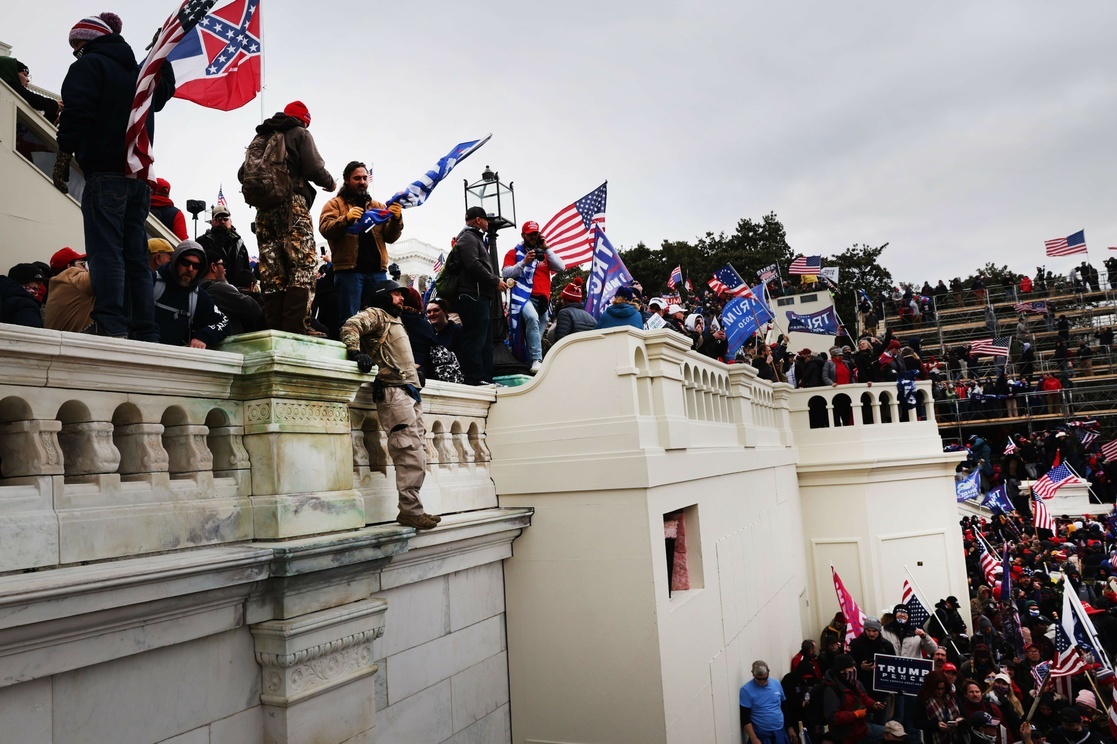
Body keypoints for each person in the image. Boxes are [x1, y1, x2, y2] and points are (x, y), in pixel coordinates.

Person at [57, 11, 176, 341]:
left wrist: (65, 147)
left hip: (105, 172)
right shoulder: (139, 73)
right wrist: (160, 56)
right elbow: (164, 93)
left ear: (91, 40)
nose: (75, 51)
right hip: (138, 179)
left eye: (77, 44)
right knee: (136, 256)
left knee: (105, 252)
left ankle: (110, 321)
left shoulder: (88, 67)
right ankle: (144, 328)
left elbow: (76, 112)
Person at [341, 280, 442, 530]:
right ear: (383, 296)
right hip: (393, 392)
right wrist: (355, 353)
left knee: (416, 451)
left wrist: (414, 376)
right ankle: (410, 511)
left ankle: (413, 509)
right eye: (396, 294)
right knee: (408, 451)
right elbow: (351, 326)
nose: (401, 299)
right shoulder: (376, 314)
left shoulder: (394, 319)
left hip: (408, 390)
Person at [241, 101, 336, 336]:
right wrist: (330, 182)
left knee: (272, 269)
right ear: (304, 120)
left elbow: (242, 173)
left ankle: (275, 326)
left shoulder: (260, 138)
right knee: (303, 264)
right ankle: (296, 326)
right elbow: (314, 167)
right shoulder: (299, 133)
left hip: (263, 210)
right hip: (292, 204)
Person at [319, 160, 403, 322]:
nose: (362, 182)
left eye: (365, 178)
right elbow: (325, 229)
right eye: (357, 178)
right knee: (350, 319)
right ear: (346, 180)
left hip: (377, 272)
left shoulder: (377, 206)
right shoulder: (334, 204)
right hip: (349, 272)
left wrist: (396, 220)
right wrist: (346, 220)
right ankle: (352, 347)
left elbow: (391, 237)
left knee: (379, 319)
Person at [502, 220, 565, 372]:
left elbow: (561, 267)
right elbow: (505, 273)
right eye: (530, 234)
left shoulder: (543, 254)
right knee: (531, 318)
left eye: (535, 234)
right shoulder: (513, 253)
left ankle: (528, 362)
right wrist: (524, 262)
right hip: (524, 297)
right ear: (523, 235)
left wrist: (546, 248)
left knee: (535, 332)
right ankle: (537, 360)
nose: (533, 237)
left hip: (543, 300)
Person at [454, 207, 507, 385]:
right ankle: (473, 379)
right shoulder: (468, 237)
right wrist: (494, 281)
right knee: (475, 340)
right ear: (478, 220)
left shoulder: (473, 238)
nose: (488, 224)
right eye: (486, 221)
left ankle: (484, 378)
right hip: (471, 296)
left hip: (478, 296)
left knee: (483, 340)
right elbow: (473, 265)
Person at [152, 241, 229, 349]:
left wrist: (203, 336)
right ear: (176, 261)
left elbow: (223, 322)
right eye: (185, 263)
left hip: (174, 359)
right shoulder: (152, 282)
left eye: (196, 266)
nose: (190, 269)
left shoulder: (198, 297)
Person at [197, 248, 264, 336]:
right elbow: (254, 309)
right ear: (214, 267)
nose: (225, 269)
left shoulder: (196, 288)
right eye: (222, 264)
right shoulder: (218, 288)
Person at [822, 654, 884, 744]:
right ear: (842, 670)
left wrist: (873, 704)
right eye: (850, 667)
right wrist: (855, 714)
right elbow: (833, 717)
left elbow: (863, 697)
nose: (854, 670)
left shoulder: (855, 682)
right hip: (846, 736)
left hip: (862, 729)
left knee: (889, 734)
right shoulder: (831, 689)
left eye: (854, 666)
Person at [739, 660, 797, 744]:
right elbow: (745, 718)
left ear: (768, 672)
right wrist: (754, 738)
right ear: (753, 674)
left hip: (780, 731)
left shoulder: (776, 683)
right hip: (761, 735)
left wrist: (790, 728)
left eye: (765, 678)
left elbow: (784, 707)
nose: (762, 681)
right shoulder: (746, 690)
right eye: (759, 679)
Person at [197, 205, 253, 291]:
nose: (222, 221)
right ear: (212, 222)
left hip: (238, 292)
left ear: (231, 221)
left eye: (225, 219)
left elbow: (246, 269)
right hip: (213, 290)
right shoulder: (203, 241)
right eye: (219, 219)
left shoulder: (240, 244)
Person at [44, 247, 94, 333]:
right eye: (83, 264)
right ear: (69, 267)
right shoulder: (71, 277)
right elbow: (105, 274)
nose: (86, 269)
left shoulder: (58, 286)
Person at [0, 57, 60, 123]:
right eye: (25, 75)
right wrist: (54, 105)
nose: (28, 80)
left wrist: (53, 113)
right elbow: (32, 98)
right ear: (11, 72)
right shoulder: (12, 87)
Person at [915, 670, 963, 744]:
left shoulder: (952, 697)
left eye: (942, 689)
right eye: (937, 689)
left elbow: (965, 716)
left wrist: (960, 720)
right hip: (933, 739)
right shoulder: (923, 700)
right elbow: (918, 723)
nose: (940, 691)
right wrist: (936, 725)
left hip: (955, 739)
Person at [549, 278, 597, 346]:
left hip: (571, 352)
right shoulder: (590, 317)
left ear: (566, 300)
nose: (561, 301)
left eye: (563, 299)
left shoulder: (564, 313)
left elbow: (560, 341)